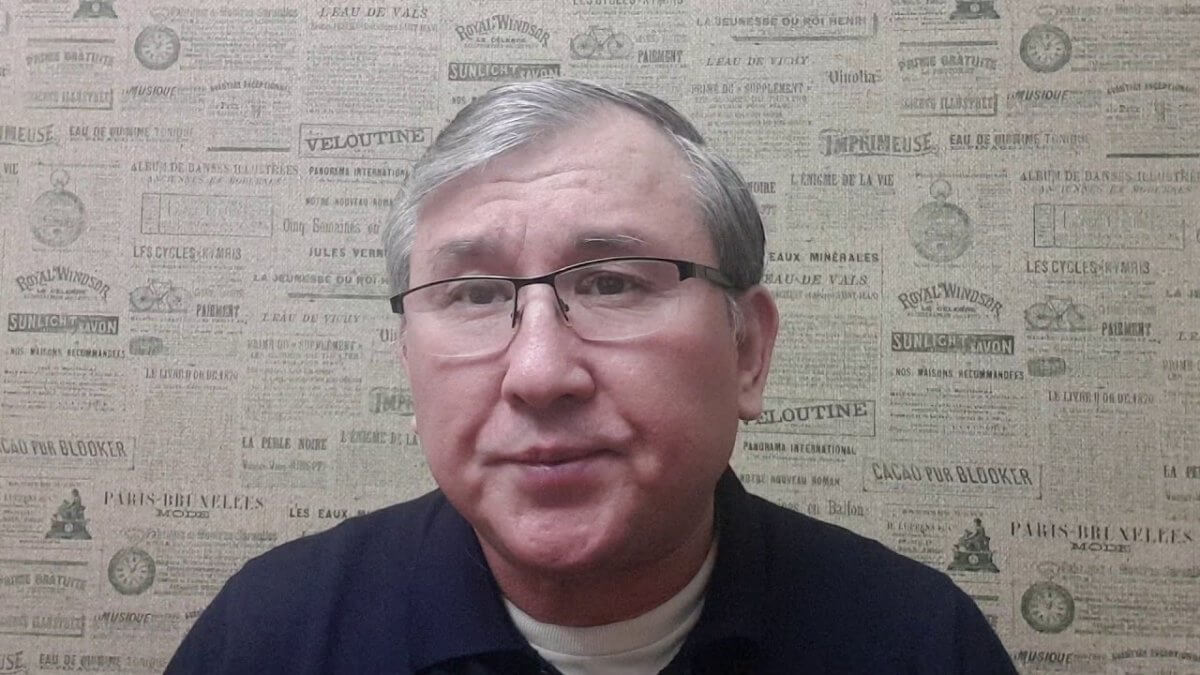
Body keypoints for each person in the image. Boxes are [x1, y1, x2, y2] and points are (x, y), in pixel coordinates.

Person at [167, 79, 1016, 674]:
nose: (539, 374)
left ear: (747, 351)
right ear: (409, 361)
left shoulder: (918, 643)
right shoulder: (269, 637)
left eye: (611, 283)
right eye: (473, 294)